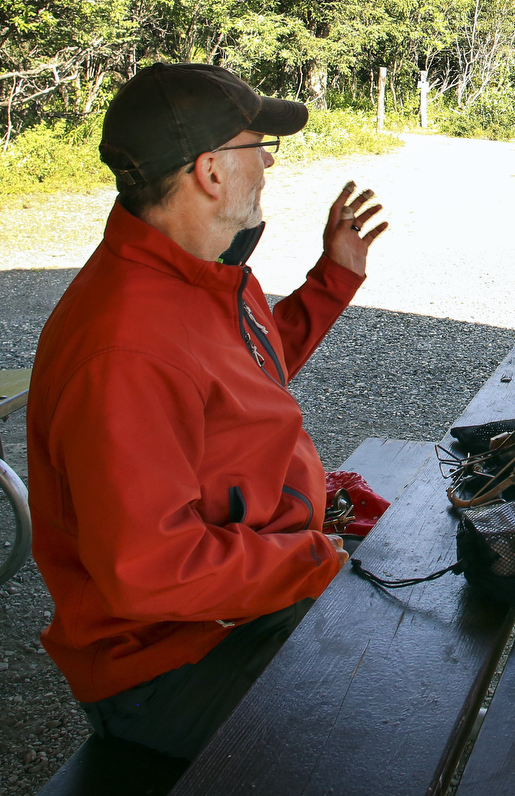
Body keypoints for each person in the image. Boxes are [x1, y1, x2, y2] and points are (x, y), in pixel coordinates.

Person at [26, 62, 389, 760]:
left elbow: (247, 372)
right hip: (171, 664)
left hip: (235, 600)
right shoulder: (126, 346)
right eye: (260, 146)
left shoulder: (198, 268)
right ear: (211, 171)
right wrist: (309, 562)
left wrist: (334, 278)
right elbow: (150, 568)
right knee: (386, 723)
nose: (272, 164)